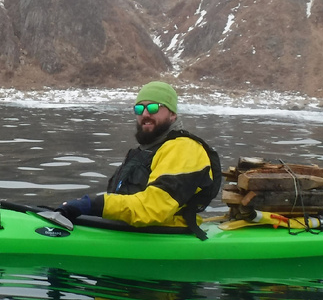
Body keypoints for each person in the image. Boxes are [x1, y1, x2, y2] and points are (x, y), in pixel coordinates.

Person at [57, 81, 222, 239]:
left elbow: (152, 208)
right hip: (129, 230)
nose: (145, 114)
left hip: (164, 234)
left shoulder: (184, 149)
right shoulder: (145, 151)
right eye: (139, 108)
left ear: (172, 114)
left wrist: (93, 205)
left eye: (153, 108)